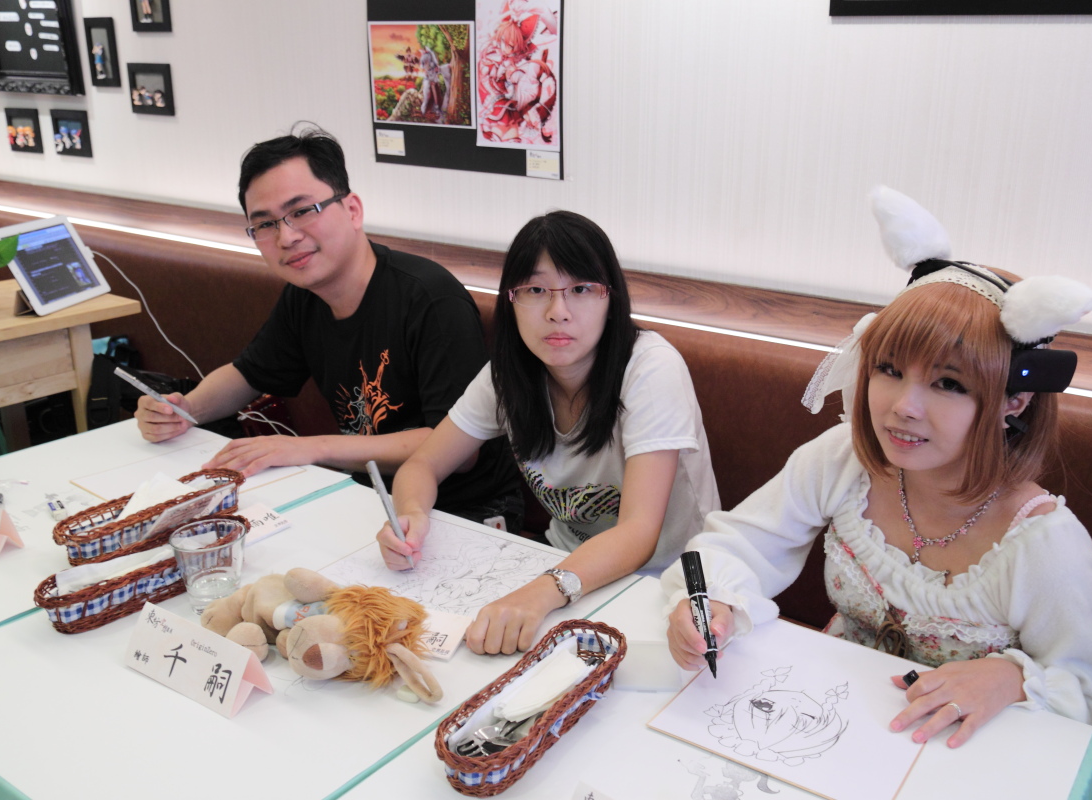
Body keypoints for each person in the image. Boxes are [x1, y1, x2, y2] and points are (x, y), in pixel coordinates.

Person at [664, 186, 1092, 765]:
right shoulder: (844, 457)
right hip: (826, 727)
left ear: (1013, 402)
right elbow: (736, 544)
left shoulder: (1044, 545)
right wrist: (708, 603)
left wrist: (1014, 679)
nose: (902, 407)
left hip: (958, 761)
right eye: (889, 370)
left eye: (947, 383)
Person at [134, 126, 521, 526]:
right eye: (265, 224)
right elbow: (248, 374)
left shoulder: (430, 298)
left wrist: (310, 448)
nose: (286, 237)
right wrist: (185, 409)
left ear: (352, 210)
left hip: (465, 511)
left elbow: (456, 449)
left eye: (302, 211)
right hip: (365, 496)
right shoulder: (304, 296)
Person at [379, 210, 720, 655]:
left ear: (610, 298)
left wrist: (540, 593)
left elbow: (639, 532)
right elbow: (423, 463)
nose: (558, 312)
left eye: (581, 289)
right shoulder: (508, 375)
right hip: (562, 567)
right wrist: (411, 517)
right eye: (536, 290)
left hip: (668, 585)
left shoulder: (651, 369)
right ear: (511, 300)